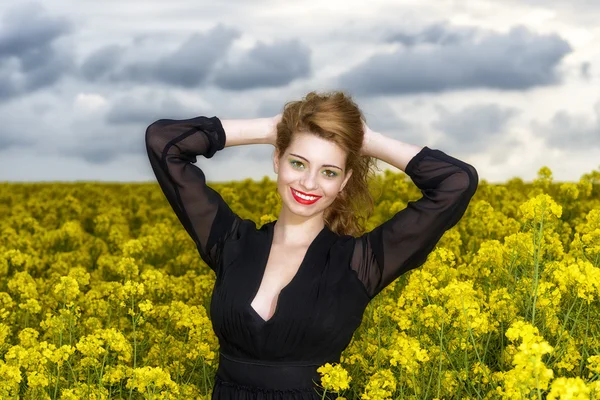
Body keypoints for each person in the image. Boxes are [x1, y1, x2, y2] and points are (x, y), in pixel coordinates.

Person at [144, 90, 479, 399]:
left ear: (345, 181)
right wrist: (273, 128)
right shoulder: (231, 243)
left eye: (329, 172)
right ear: (277, 160)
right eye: (297, 162)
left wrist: (367, 140)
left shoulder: (360, 264)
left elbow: (456, 181)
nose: (308, 182)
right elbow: (164, 142)